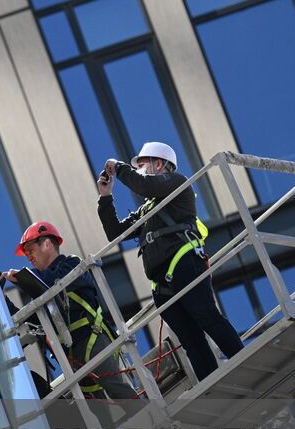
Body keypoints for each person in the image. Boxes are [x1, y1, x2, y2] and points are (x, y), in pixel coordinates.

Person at [97, 142, 244, 381]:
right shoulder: (147, 209)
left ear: (160, 164)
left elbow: (143, 185)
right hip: (162, 284)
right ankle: (212, 383)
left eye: (143, 164)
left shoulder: (177, 182)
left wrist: (119, 166)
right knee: (191, 340)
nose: (141, 169)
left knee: (207, 316)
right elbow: (116, 233)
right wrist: (105, 198)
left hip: (185, 264)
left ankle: (241, 362)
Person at [1, 221, 135, 400]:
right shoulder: (40, 288)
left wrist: (23, 278)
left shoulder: (71, 264)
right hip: (70, 351)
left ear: (47, 243)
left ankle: (154, 423)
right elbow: (33, 319)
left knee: (119, 391)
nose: (28, 257)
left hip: (92, 338)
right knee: (97, 408)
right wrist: (2, 299)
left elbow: (53, 281)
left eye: (30, 250)